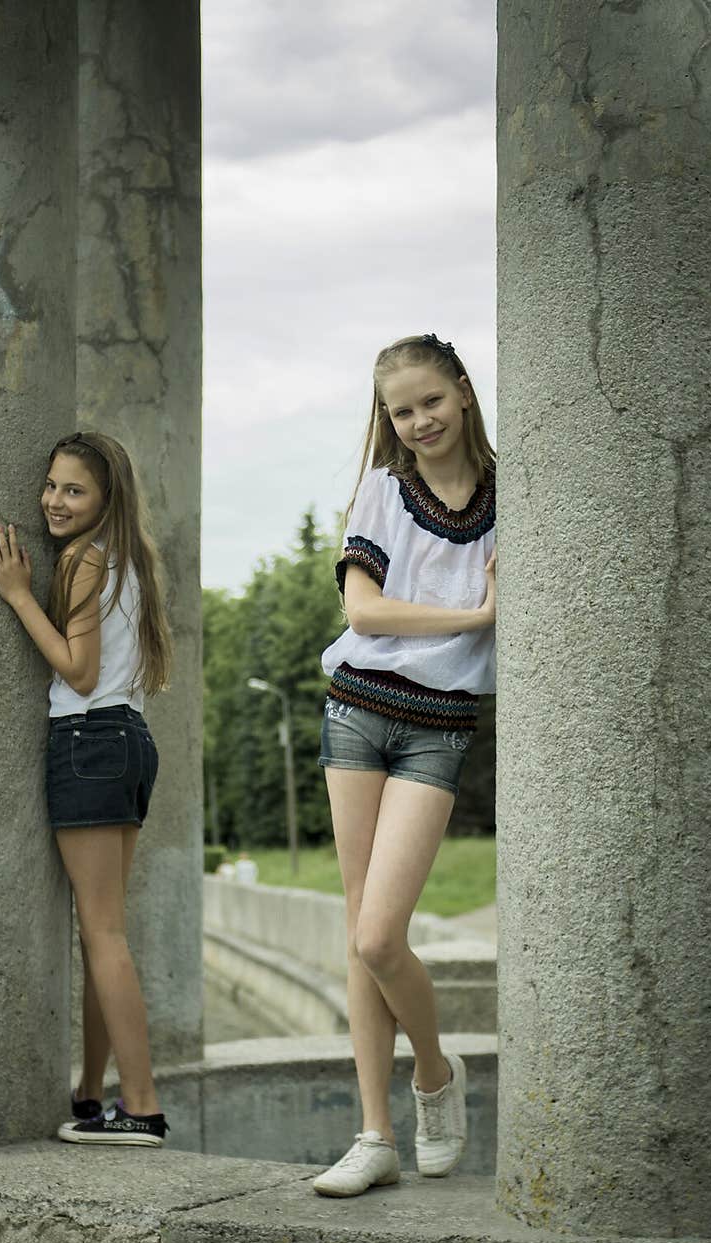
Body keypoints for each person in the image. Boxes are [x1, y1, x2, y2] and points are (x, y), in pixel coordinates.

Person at [313, 334, 496, 1197]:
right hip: (357, 712)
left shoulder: (512, 495)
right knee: (361, 934)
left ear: (462, 391)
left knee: (382, 935)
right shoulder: (384, 489)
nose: (418, 421)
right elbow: (364, 608)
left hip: (437, 728)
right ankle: (374, 1134)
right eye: (400, 410)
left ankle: (433, 1074)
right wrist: (473, 618)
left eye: (430, 400)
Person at [0, 430, 173, 1147]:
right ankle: (93, 1094)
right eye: (52, 486)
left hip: (89, 739)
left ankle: (143, 1107)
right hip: (127, 740)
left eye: (73, 490)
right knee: (105, 935)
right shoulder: (127, 557)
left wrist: (17, 595)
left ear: (104, 500)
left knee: (103, 934)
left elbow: (79, 670)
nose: (54, 502)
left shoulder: (84, 559)